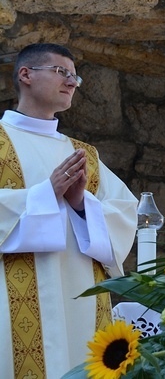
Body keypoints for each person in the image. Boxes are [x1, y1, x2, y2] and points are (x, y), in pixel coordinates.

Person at [0, 43, 138, 378]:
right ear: (26, 75)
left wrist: (80, 204)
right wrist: (47, 194)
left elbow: (124, 213)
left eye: (75, 77)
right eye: (62, 72)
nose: (72, 82)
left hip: (80, 297)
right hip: (10, 295)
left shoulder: (84, 156)